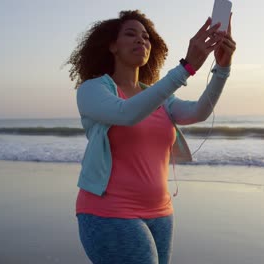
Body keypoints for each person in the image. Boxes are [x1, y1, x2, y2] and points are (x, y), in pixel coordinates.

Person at [66, 9, 235, 264]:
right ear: (112, 46)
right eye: (131, 34)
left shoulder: (159, 96)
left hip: (161, 213)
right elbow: (126, 114)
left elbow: (198, 111)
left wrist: (222, 68)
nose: (141, 40)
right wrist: (186, 68)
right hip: (107, 212)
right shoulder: (92, 90)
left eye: (146, 37)